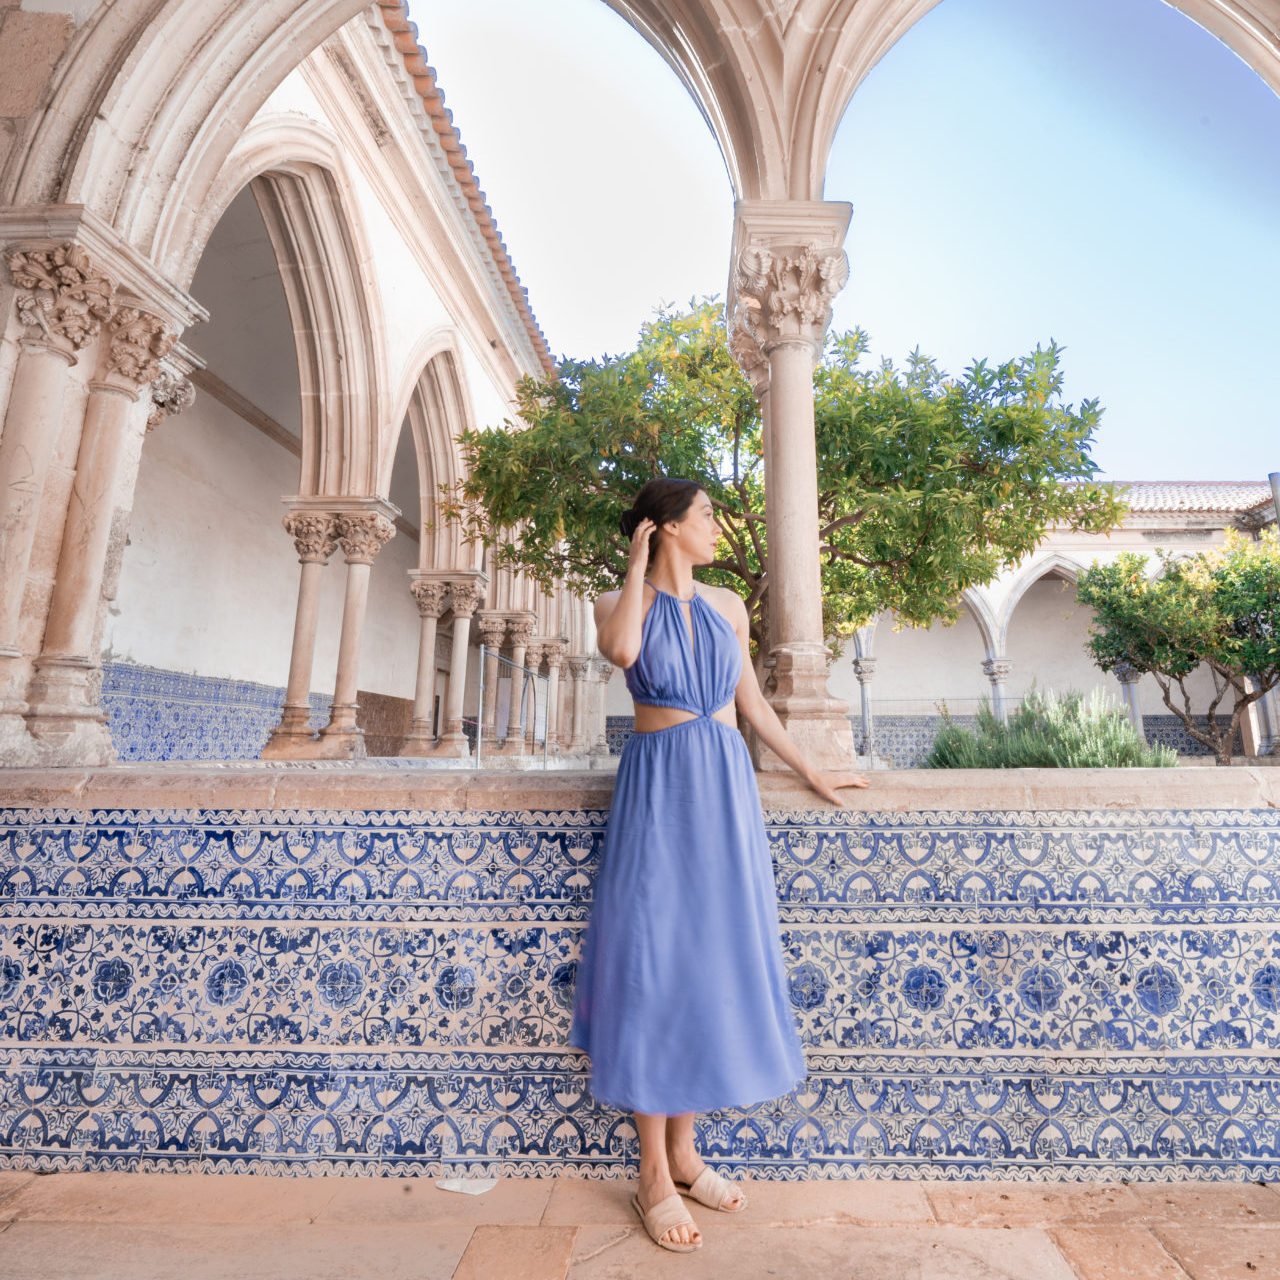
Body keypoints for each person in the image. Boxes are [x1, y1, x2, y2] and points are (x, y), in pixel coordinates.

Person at [567, 477, 869, 1253]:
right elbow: (624, 652)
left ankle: (685, 1151)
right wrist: (637, 567)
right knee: (653, 966)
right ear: (666, 527)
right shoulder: (613, 602)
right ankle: (650, 1176)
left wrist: (813, 769)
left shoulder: (729, 608)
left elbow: (754, 708)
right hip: (659, 784)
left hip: (723, 788)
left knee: (702, 966)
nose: (716, 528)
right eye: (703, 516)